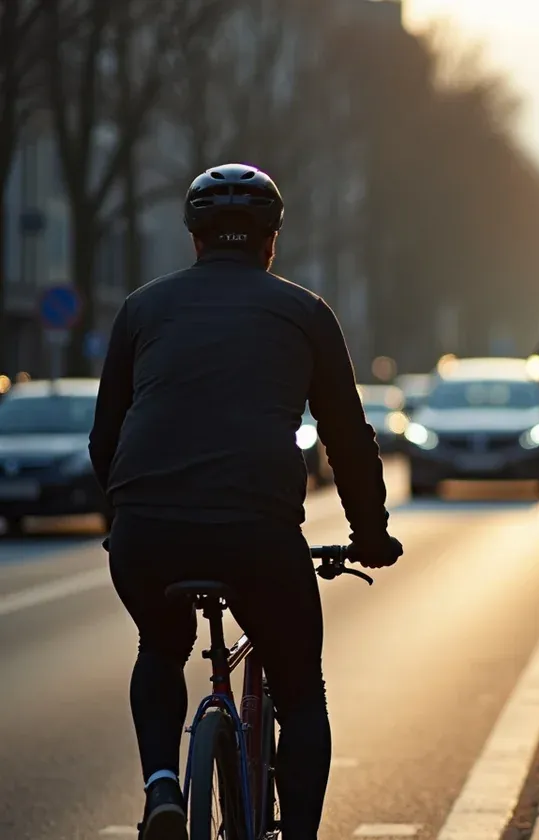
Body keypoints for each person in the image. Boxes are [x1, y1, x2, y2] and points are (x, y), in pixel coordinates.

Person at [89, 163, 403, 840]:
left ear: (195, 240)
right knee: (299, 691)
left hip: (149, 531)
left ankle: (163, 788)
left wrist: (123, 520)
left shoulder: (141, 309)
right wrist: (370, 532)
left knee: (159, 644)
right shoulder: (304, 313)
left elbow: (106, 433)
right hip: (257, 533)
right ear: (271, 241)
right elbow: (347, 438)